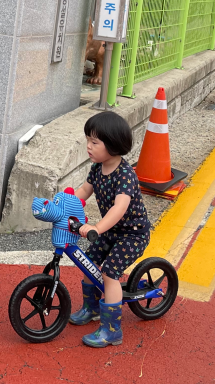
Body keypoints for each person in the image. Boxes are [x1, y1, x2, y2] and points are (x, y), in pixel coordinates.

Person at [68, 111, 151, 348]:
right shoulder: (97, 168)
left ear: (113, 145)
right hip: (112, 232)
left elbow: (119, 208)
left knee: (110, 273)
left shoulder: (125, 175)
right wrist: (65, 205)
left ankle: (112, 330)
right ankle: (91, 309)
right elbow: (84, 191)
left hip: (133, 235)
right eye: (88, 140)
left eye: (94, 142)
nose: (88, 146)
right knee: (87, 262)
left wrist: (96, 227)